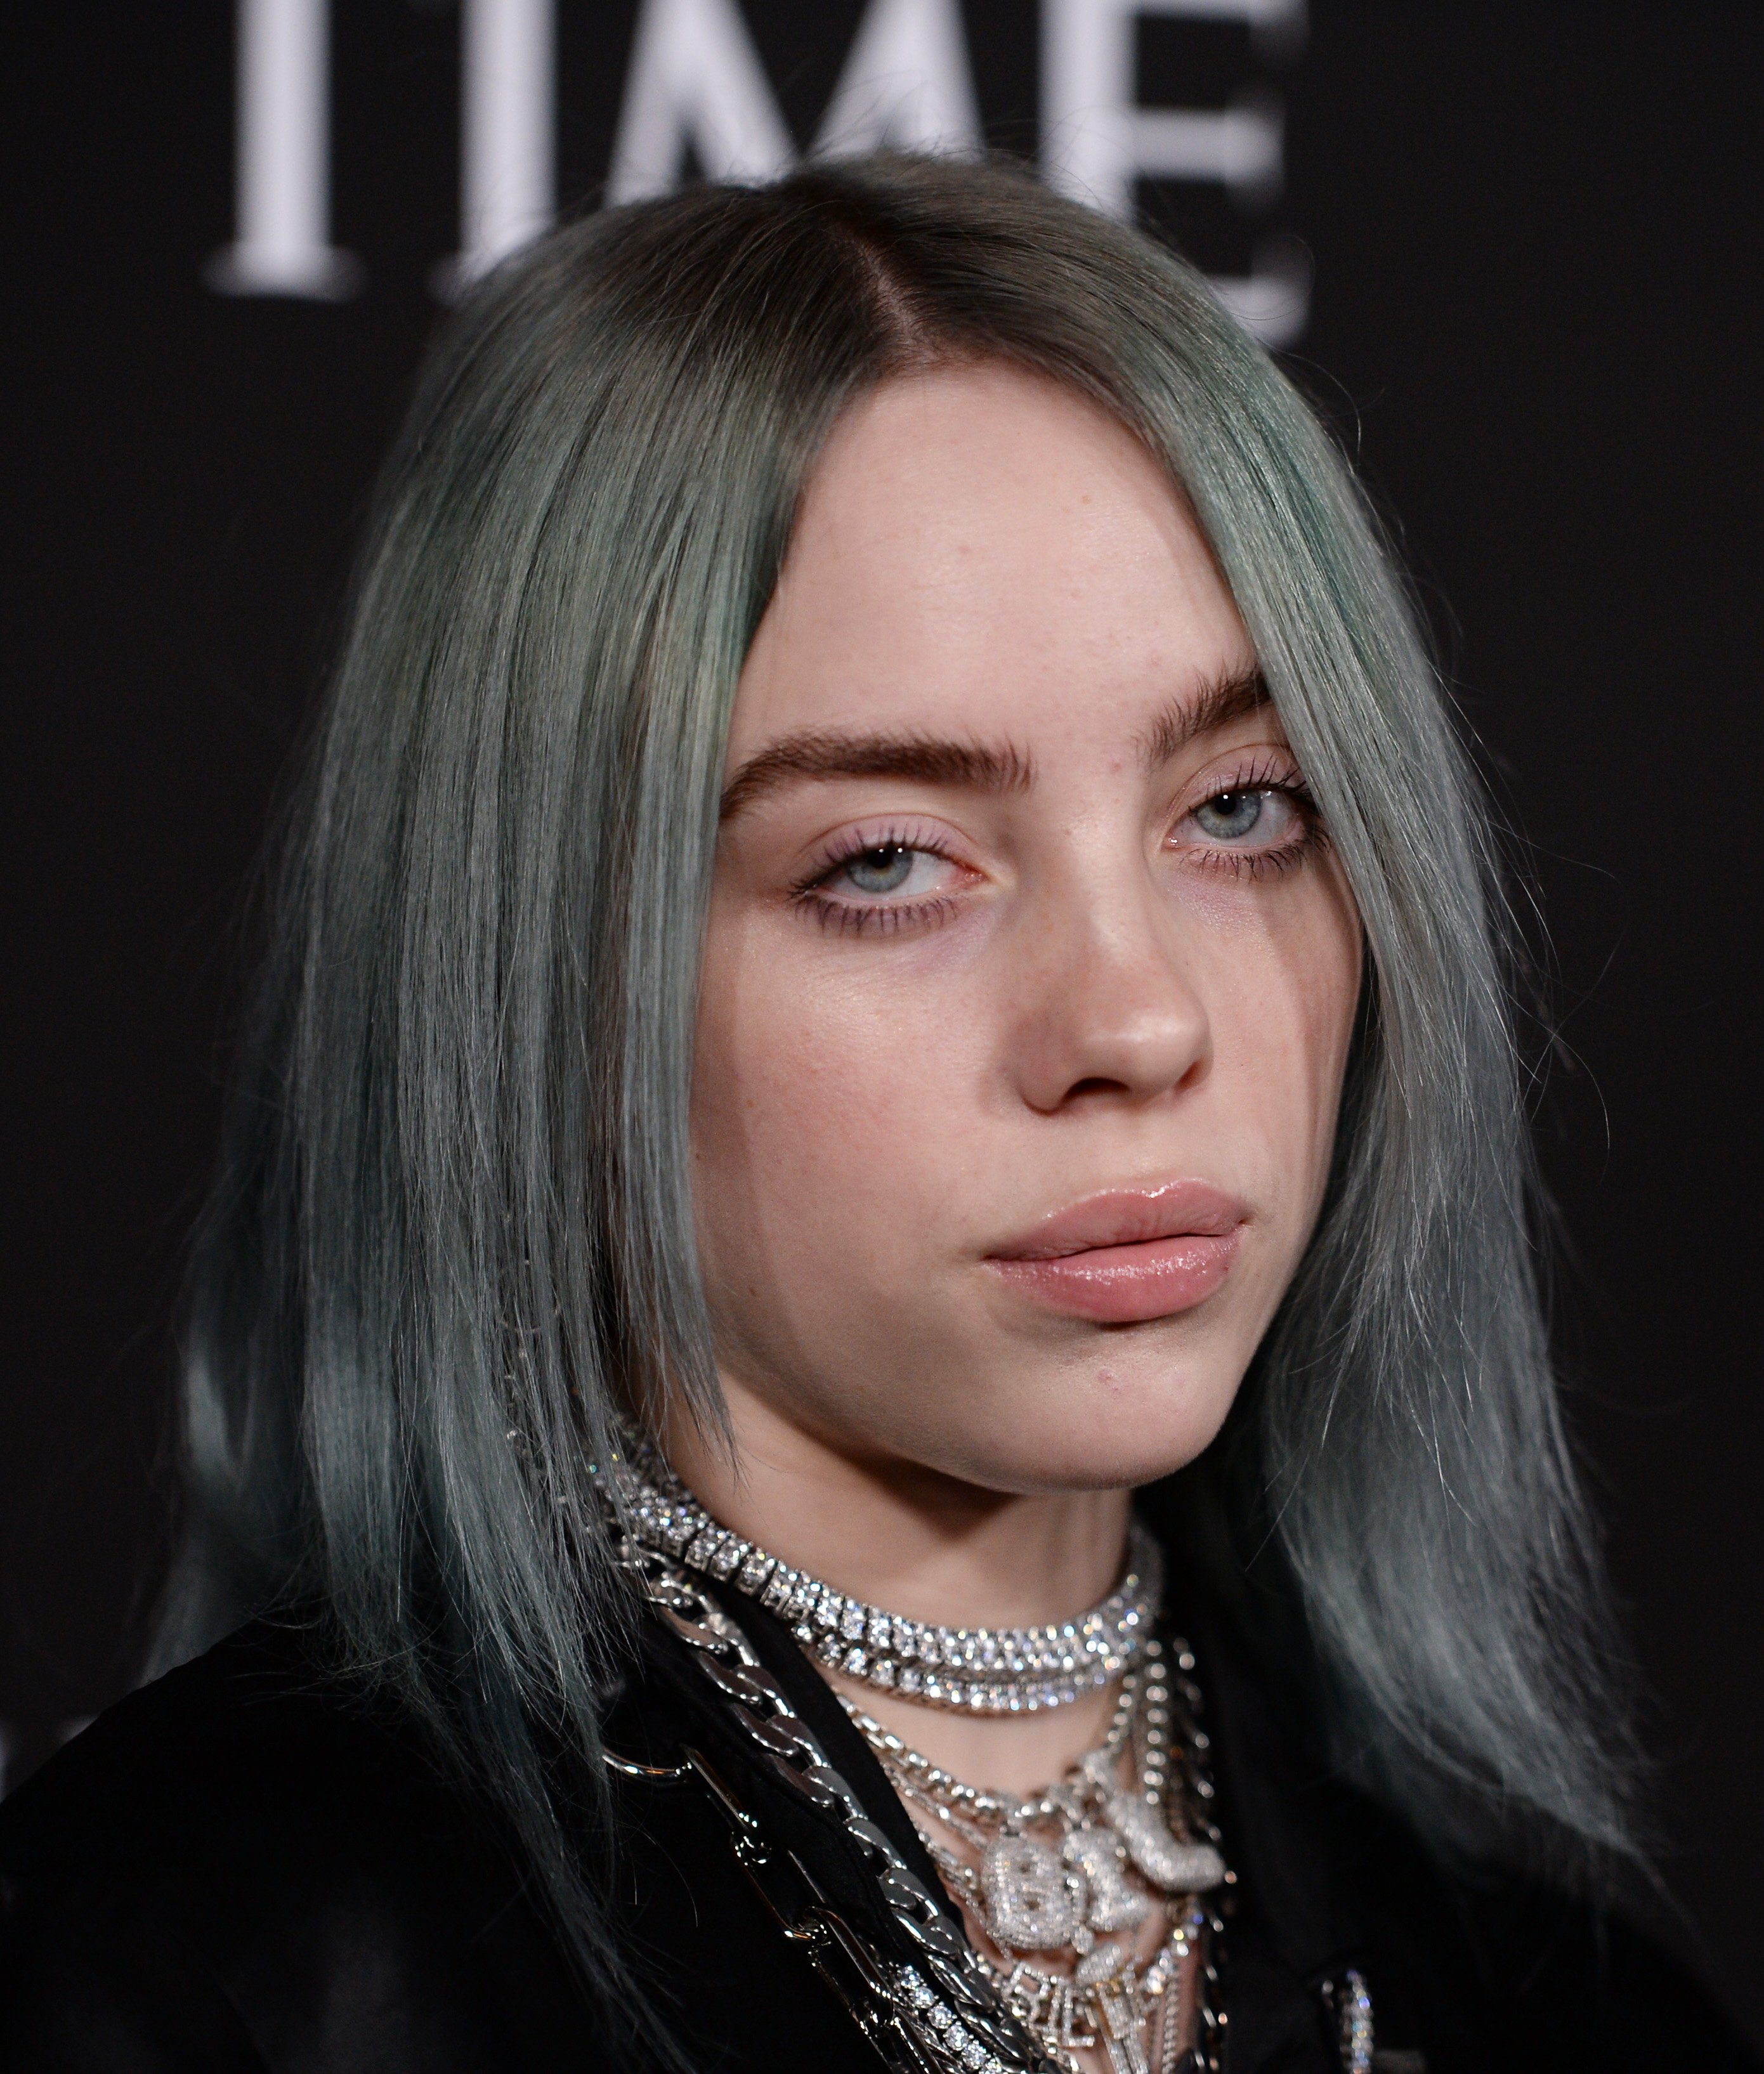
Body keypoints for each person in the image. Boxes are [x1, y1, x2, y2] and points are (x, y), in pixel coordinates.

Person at [0, 153, 1752, 2074]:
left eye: (1241, 808)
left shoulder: (1574, 2020)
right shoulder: (201, 1980)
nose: (1140, 1019)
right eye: (890, 862)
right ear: (533, 965)